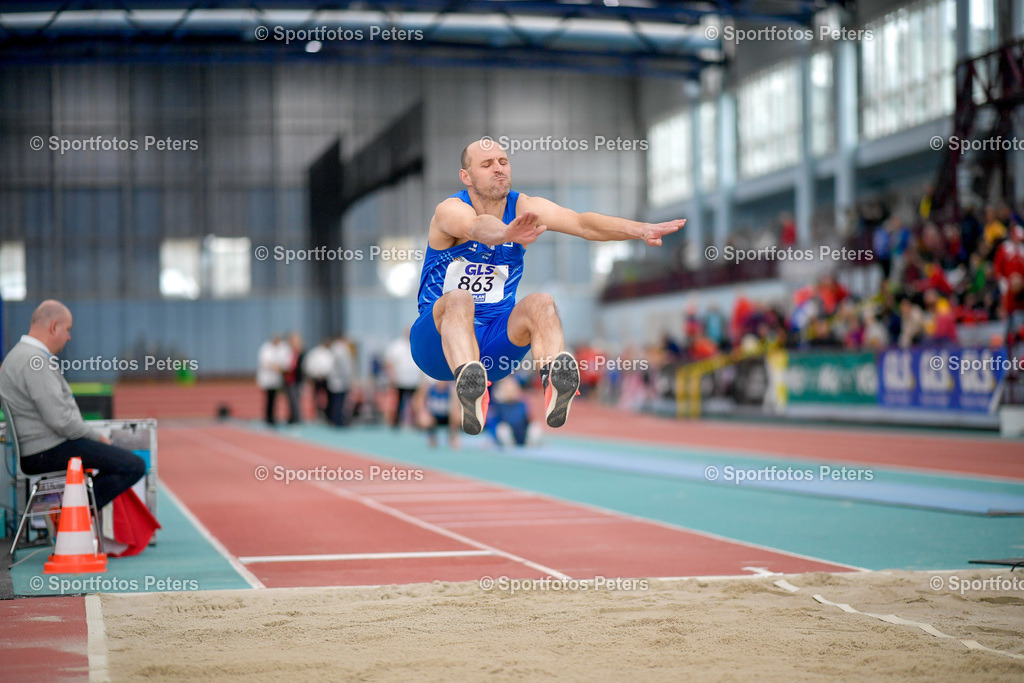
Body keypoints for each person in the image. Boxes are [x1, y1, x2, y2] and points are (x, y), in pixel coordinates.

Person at [410, 138, 684, 435]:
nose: (498, 169)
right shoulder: (450, 209)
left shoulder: (525, 207)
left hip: (494, 348)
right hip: (436, 345)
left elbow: (582, 224)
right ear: (467, 176)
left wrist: (640, 229)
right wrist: (505, 232)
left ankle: (554, 379)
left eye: (503, 162)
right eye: (487, 165)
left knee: (542, 302)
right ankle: (469, 383)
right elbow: (475, 228)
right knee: (459, 298)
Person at [0, 300, 146, 524]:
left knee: (119, 461)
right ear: (54, 326)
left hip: (40, 449)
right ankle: (71, 519)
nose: (68, 337)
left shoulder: (17, 356)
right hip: (47, 450)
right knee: (133, 465)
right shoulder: (34, 361)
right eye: (67, 329)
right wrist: (97, 437)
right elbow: (61, 420)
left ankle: (71, 515)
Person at [384, 330, 423, 429]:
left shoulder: (418, 344)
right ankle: (396, 422)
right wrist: (392, 376)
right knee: (399, 402)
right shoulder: (396, 346)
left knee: (415, 403)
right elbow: (388, 362)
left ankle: (416, 422)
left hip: (414, 380)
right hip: (400, 380)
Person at [413, 379, 459, 448]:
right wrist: (422, 412)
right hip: (434, 417)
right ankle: (432, 437)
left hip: (447, 416)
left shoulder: (451, 390)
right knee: (424, 419)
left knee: (457, 417)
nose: (442, 382)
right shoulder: (430, 389)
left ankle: (452, 437)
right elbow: (418, 402)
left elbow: (455, 407)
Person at [256, 334, 287, 425]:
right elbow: (265, 362)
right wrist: (276, 367)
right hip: (267, 379)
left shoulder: (282, 348)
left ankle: (274, 417)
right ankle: (268, 417)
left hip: (276, 379)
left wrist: (279, 367)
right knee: (269, 399)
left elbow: (284, 362)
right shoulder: (265, 348)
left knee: (275, 400)